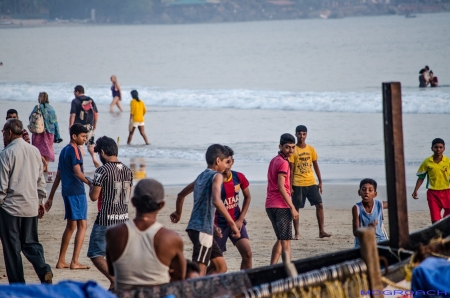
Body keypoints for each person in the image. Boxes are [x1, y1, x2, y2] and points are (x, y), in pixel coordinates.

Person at [171, 146, 252, 270]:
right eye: (226, 162)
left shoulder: (201, 176)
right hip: (202, 229)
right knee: (200, 271)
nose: (227, 166)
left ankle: (210, 288)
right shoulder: (217, 176)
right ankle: (194, 288)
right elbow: (216, 201)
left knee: (221, 268)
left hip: (205, 227)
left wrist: (178, 212)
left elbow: (181, 195)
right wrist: (232, 224)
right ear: (218, 161)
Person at [106, 179, 186, 290]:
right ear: (161, 205)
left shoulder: (113, 233)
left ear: (133, 202)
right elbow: (180, 277)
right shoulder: (171, 238)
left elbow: (112, 271)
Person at [0, 119, 52, 284]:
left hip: (11, 208)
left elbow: (2, 187)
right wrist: (40, 201)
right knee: (31, 243)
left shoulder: (6, 153)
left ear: (9, 133)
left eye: (3, 133)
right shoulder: (34, 151)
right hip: (30, 206)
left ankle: (17, 285)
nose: (3, 137)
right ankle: (44, 269)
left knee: (12, 249)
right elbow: (40, 180)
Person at [88, 136, 133, 290]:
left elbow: (94, 197)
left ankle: (114, 280)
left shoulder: (102, 170)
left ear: (102, 152)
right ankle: (115, 285)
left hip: (106, 218)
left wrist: (91, 185)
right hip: (123, 219)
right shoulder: (128, 170)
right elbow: (128, 195)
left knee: (95, 253)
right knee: (116, 256)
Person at [45, 123, 92, 270]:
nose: (85, 139)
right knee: (82, 225)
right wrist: (91, 183)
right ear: (74, 136)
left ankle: (61, 261)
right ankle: (75, 262)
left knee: (71, 226)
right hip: (76, 191)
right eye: (83, 136)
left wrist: (50, 197)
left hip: (66, 191)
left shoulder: (64, 150)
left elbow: (58, 175)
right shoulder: (75, 150)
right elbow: (78, 172)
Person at [289, 125, 331, 239]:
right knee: (296, 207)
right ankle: (297, 232)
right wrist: (290, 186)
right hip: (298, 183)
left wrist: (320, 181)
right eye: (299, 134)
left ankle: (321, 231)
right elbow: (291, 170)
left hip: (311, 182)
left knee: (320, 205)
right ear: (296, 134)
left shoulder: (311, 149)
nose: (301, 136)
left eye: (304, 134)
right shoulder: (294, 150)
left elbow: (316, 166)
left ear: (306, 135)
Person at [266, 134, 298, 265]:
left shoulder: (274, 160)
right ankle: (287, 271)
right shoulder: (284, 163)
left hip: (270, 204)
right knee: (286, 242)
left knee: (281, 239)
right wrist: (292, 206)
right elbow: (280, 186)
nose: (290, 150)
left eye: (293, 147)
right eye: (287, 147)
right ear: (280, 147)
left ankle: (272, 267)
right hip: (281, 206)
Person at [412, 138, 450, 223]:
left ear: (444, 148)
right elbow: (421, 177)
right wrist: (415, 190)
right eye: (436, 147)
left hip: (447, 192)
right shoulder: (427, 162)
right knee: (435, 219)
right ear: (432, 148)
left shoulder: (448, 162)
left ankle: (444, 232)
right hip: (433, 194)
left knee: (447, 218)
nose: (438, 149)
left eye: (440, 147)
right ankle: (437, 234)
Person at [30, 92, 62, 172]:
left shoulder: (37, 107)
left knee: (36, 149)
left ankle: (45, 164)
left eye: (38, 97)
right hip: (50, 132)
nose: (38, 98)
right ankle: (46, 167)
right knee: (47, 149)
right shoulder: (51, 108)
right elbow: (55, 123)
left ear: (40, 98)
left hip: (38, 132)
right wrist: (57, 135)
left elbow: (30, 117)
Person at [69, 85, 100, 168]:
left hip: (79, 127)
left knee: (80, 146)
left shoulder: (75, 101)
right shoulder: (90, 100)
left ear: (77, 92)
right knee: (91, 144)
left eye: (74, 92)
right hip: (89, 126)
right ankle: (94, 158)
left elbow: (73, 115)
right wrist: (94, 124)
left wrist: (71, 126)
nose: (74, 93)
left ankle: (80, 162)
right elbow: (96, 114)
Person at [352, 178, 388, 248]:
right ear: (359, 192)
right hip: (362, 242)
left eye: (370, 190)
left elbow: (396, 202)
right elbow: (355, 232)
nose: (367, 192)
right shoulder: (356, 208)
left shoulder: (380, 204)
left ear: (375, 194)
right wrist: (367, 229)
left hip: (379, 240)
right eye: (364, 189)